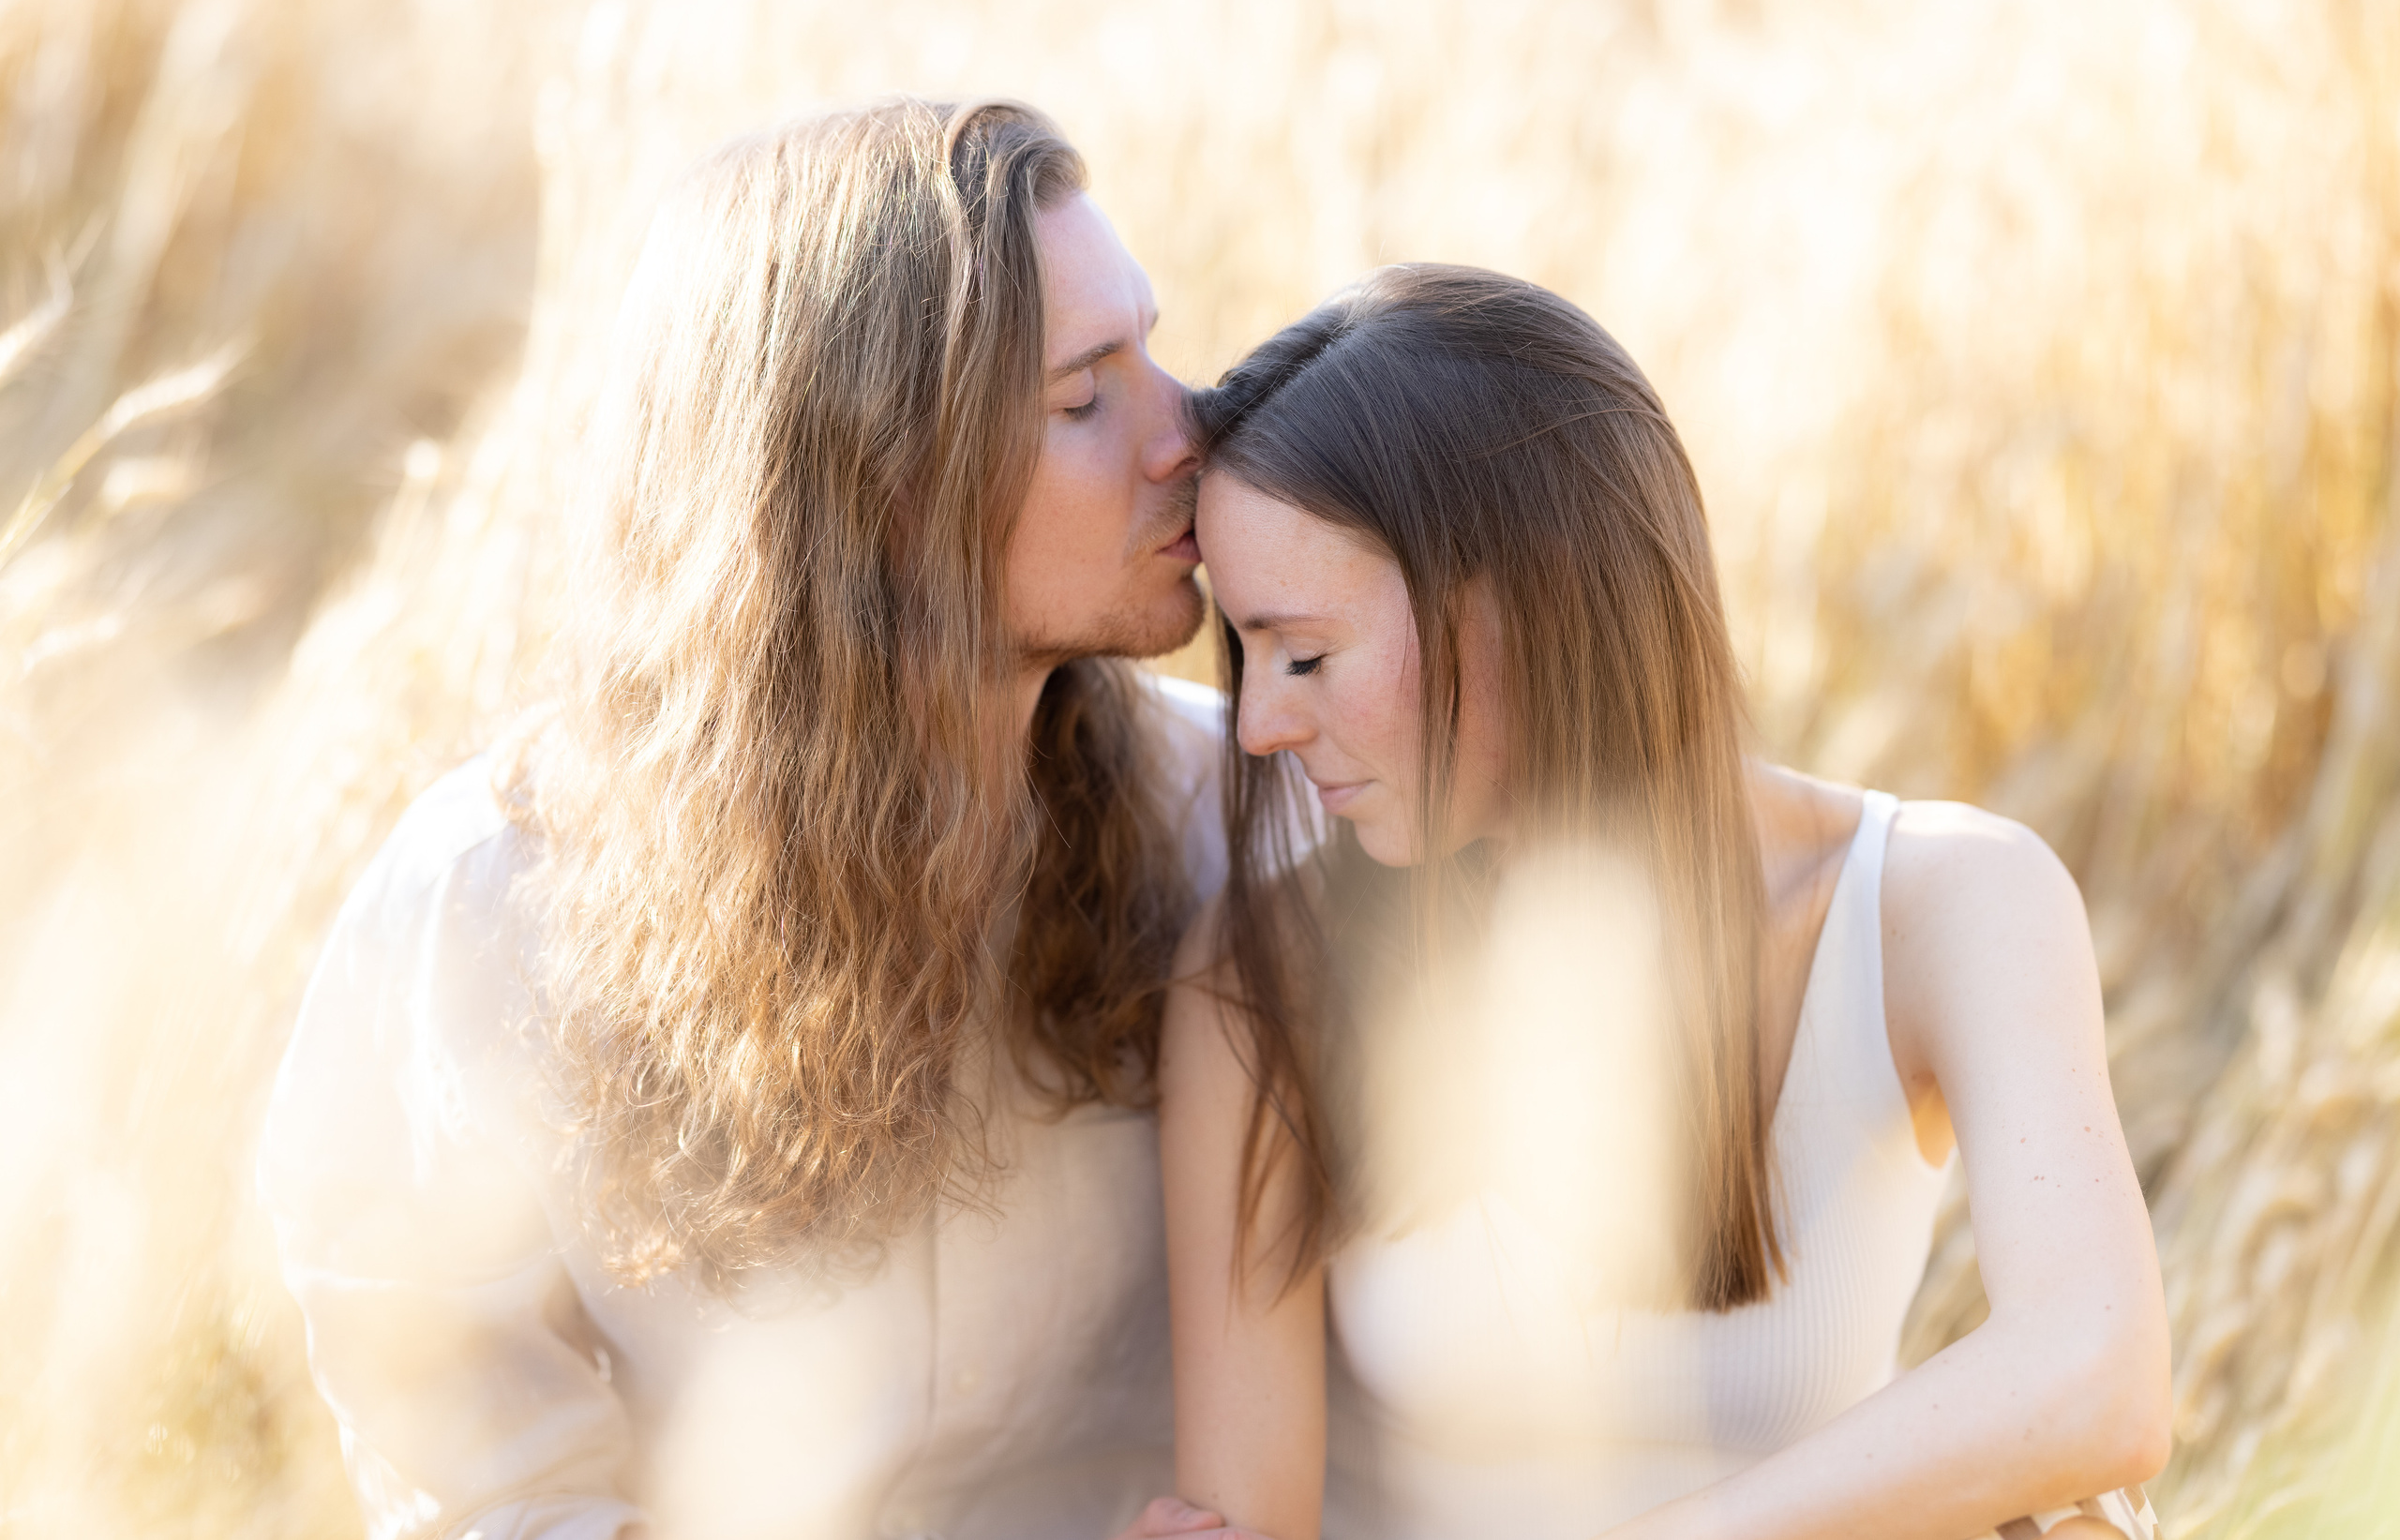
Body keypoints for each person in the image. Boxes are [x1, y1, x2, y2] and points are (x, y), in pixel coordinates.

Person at [260, 98, 1268, 1540]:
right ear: (877, 489)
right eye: (1082, 397)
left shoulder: (1239, 812)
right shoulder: (493, 904)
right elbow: (477, 1473)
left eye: (1152, 352)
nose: (1191, 431)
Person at [1160, 263, 2173, 1540]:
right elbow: (1248, 1518)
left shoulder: (1947, 901)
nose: (1257, 724)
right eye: (1243, 658)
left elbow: (2099, 1378)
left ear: (1523, 601)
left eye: (1304, 654)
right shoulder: (1264, 976)